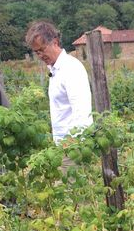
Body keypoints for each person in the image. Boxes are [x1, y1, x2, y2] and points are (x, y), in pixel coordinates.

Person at [24, 20, 93, 173]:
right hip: (62, 146)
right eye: (36, 52)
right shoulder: (55, 70)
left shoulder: (70, 68)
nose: (40, 55)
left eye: (42, 49)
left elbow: (82, 112)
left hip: (74, 147)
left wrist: (71, 144)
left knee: (69, 194)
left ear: (55, 42)